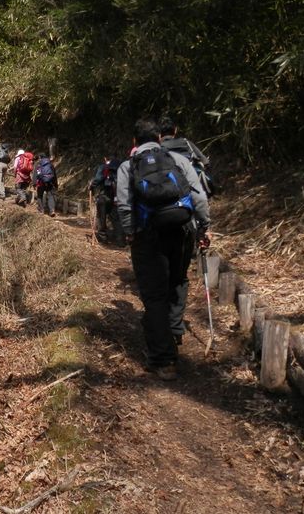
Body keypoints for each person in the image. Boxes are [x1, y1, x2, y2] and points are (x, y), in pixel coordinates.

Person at [116, 119, 211, 381]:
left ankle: (163, 360)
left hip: (148, 236)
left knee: (154, 296)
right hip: (182, 230)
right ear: (160, 138)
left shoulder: (128, 166)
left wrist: (130, 233)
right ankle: (174, 331)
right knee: (178, 280)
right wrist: (204, 226)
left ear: (134, 142)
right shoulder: (178, 160)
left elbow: (124, 205)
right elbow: (199, 196)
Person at [158, 116, 216, 198]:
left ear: (159, 135)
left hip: (169, 195)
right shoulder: (186, 143)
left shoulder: (157, 149)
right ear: (175, 130)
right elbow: (205, 162)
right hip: (193, 192)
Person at [89, 156, 123, 244]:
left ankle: (103, 237)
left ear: (105, 158)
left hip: (105, 196)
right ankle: (120, 239)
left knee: (101, 217)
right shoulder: (120, 166)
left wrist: (91, 186)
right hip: (118, 196)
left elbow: (98, 179)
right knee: (116, 218)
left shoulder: (103, 167)